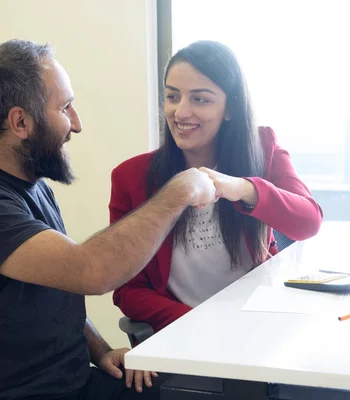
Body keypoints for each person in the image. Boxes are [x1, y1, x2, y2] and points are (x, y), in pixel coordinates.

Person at [0, 39, 217, 400]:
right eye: (66, 108)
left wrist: (101, 350)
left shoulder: (31, 186)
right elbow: (91, 270)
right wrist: (180, 191)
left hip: (70, 383)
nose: (76, 124)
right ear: (21, 122)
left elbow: (57, 291)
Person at [110, 40, 323, 334]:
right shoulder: (130, 177)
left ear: (230, 108)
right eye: (173, 96)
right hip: (188, 334)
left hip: (261, 324)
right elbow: (127, 289)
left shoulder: (263, 148)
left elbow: (309, 221)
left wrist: (242, 188)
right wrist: (199, 325)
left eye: (200, 99)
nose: (180, 112)